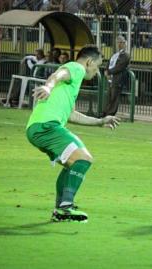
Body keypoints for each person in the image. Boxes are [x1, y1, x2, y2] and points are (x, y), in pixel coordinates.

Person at [26, 45, 120, 223]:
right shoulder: (76, 68)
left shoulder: (72, 85)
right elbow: (58, 74)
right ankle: (65, 208)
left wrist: (100, 121)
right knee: (83, 159)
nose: (96, 71)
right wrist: (48, 86)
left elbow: (72, 115)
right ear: (90, 62)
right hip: (46, 127)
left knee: (74, 163)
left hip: (40, 128)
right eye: (97, 66)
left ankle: (60, 209)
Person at [103, 35, 131, 116]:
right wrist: (106, 70)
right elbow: (109, 63)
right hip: (111, 78)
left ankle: (110, 114)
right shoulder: (115, 54)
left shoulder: (126, 55)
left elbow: (119, 67)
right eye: (118, 42)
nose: (119, 44)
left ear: (124, 43)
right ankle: (105, 113)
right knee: (109, 97)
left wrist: (109, 72)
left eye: (121, 42)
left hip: (118, 79)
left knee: (114, 98)